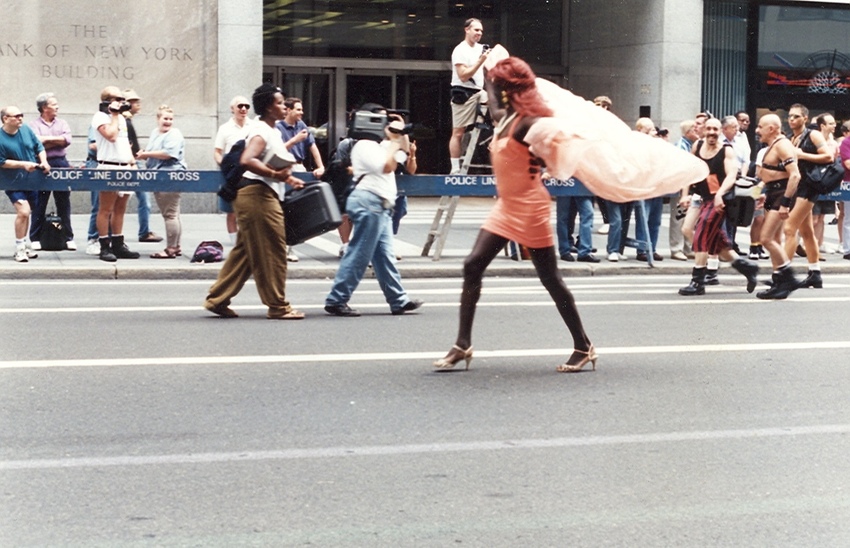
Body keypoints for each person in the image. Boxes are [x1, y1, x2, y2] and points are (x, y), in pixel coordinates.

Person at [433, 57, 595, 373]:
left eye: (498, 84)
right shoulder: (506, 118)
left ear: (511, 89)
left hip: (530, 207)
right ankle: (462, 344)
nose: (493, 88)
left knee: (551, 279)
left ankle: (583, 345)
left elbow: (560, 137)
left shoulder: (530, 124)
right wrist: (489, 75)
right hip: (507, 206)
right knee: (472, 265)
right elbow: (494, 106)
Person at [204, 84, 305, 320]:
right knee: (273, 251)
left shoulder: (270, 130)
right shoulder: (262, 131)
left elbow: (268, 162)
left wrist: (288, 179)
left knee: (246, 253)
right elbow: (248, 159)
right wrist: (276, 175)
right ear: (269, 107)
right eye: (280, 103)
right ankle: (278, 306)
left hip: (256, 193)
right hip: (257, 196)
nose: (284, 107)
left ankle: (216, 299)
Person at [323, 107, 423, 317]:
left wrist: (400, 130)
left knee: (384, 256)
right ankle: (337, 299)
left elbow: (402, 153)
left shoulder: (381, 145)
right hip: (369, 202)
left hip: (382, 205)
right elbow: (387, 167)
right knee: (359, 253)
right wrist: (395, 141)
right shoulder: (364, 146)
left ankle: (398, 300)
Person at [678, 117, 758, 296]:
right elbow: (690, 171)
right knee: (688, 230)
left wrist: (720, 194)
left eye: (716, 129)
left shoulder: (726, 150)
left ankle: (698, 281)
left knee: (702, 234)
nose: (712, 132)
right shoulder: (697, 146)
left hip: (718, 200)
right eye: (709, 129)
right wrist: (685, 195)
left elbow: (731, 175)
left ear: (720, 131)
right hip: (701, 196)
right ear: (703, 131)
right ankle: (746, 267)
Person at [752, 113, 802, 299]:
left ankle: (789, 277)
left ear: (771, 129)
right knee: (774, 238)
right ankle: (778, 281)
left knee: (765, 239)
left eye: (760, 127)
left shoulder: (782, 145)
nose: (757, 130)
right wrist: (760, 194)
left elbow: (795, 175)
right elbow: (767, 175)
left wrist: (785, 203)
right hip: (772, 193)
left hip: (782, 194)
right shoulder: (771, 146)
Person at [784, 104, 833, 289]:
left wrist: (802, 155)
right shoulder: (791, 138)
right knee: (806, 231)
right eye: (790, 116)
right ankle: (815, 273)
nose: (792, 119)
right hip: (797, 186)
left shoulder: (813, 135)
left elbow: (828, 157)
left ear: (805, 118)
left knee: (789, 228)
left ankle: (782, 276)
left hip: (809, 187)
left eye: (796, 116)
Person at [91, 86, 141, 262]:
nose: (122, 102)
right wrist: (113, 115)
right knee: (106, 208)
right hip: (109, 166)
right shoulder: (101, 117)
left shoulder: (121, 118)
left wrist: (132, 163)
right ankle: (104, 245)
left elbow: (125, 143)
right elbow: (111, 136)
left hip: (124, 166)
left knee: (121, 208)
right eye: (119, 99)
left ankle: (118, 243)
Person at [277, 96, 327, 262]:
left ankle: (289, 248)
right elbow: (276, 151)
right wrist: (295, 140)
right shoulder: (277, 127)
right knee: (283, 207)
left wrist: (320, 167)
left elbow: (312, 146)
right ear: (289, 110)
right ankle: (282, 247)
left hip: (299, 166)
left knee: (296, 209)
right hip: (283, 167)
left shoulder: (302, 126)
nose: (301, 112)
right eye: (298, 109)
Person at [136, 105, 187, 259]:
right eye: (165, 118)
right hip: (159, 176)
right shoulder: (155, 133)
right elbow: (154, 151)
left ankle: (170, 249)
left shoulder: (175, 134)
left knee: (170, 214)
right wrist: (145, 153)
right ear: (158, 119)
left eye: (171, 119)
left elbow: (167, 154)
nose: (168, 122)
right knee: (174, 213)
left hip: (170, 176)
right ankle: (176, 246)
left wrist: (146, 154)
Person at [28, 92, 75, 251]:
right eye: (54, 104)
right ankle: (35, 237)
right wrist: (55, 141)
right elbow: (35, 144)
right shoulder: (33, 125)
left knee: (64, 201)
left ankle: (68, 237)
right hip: (41, 164)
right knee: (39, 202)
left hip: (61, 163)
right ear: (44, 108)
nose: (57, 107)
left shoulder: (62, 123)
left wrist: (45, 140)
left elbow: (66, 141)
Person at [0, 106, 48, 262]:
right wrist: (23, 164)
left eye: (22, 115)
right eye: (16, 116)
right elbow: (2, 162)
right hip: (13, 181)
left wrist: (44, 161)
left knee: (29, 212)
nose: (20, 118)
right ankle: (19, 248)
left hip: (32, 180)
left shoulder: (26, 129)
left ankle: (23, 244)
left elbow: (39, 146)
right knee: (23, 211)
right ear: (5, 118)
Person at [448, 17, 490, 174]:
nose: (479, 33)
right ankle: (455, 168)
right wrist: (480, 61)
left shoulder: (482, 49)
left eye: (481, 31)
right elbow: (464, 76)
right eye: (476, 30)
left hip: (480, 92)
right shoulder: (460, 50)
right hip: (463, 93)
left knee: (494, 99)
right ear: (467, 30)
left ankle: (493, 129)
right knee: (458, 133)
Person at [124, 89, 162, 244]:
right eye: (134, 101)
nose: (138, 104)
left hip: (134, 160)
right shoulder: (125, 121)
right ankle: (144, 232)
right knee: (143, 199)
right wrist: (136, 155)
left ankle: (144, 231)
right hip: (132, 163)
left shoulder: (127, 120)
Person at [214, 95, 253, 245]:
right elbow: (217, 151)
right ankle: (235, 243)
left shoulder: (254, 126)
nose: (243, 109)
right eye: (240, 106)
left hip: (250, 173)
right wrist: (224, 166)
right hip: (232, 174)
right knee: (231, 212)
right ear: (232, 109)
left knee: (248, 210)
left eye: (247, 106)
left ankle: (248, 241)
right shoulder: (225, 128)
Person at [633, 117, 663, 262]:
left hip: (657, 185)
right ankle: (642, 249)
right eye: (649, 129)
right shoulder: (636, 143)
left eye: (653, 128)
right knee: (643, 217)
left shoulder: (657, 144)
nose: (653, 132)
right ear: (640, 130)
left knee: (655, 220)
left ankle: (653, 247)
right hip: (644, 186)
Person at [670, 119, 699, 261]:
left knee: (689, 218)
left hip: (691, 186)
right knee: (678, 218)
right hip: (681, 187)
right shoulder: (682, 146)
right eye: (694, 129)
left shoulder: (693, 145)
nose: (697, 131)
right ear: (688, 132)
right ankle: (676, 248)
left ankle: (688, 247)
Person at [811, 113, 838, 255]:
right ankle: (807, 245)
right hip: (815, 182)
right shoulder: (814, 140)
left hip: (828, 183)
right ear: (822, 126)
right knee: (813, 218)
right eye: (831, 123)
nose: (834, 126)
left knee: (821, 217)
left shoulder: (834, 144)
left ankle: (818, 246)